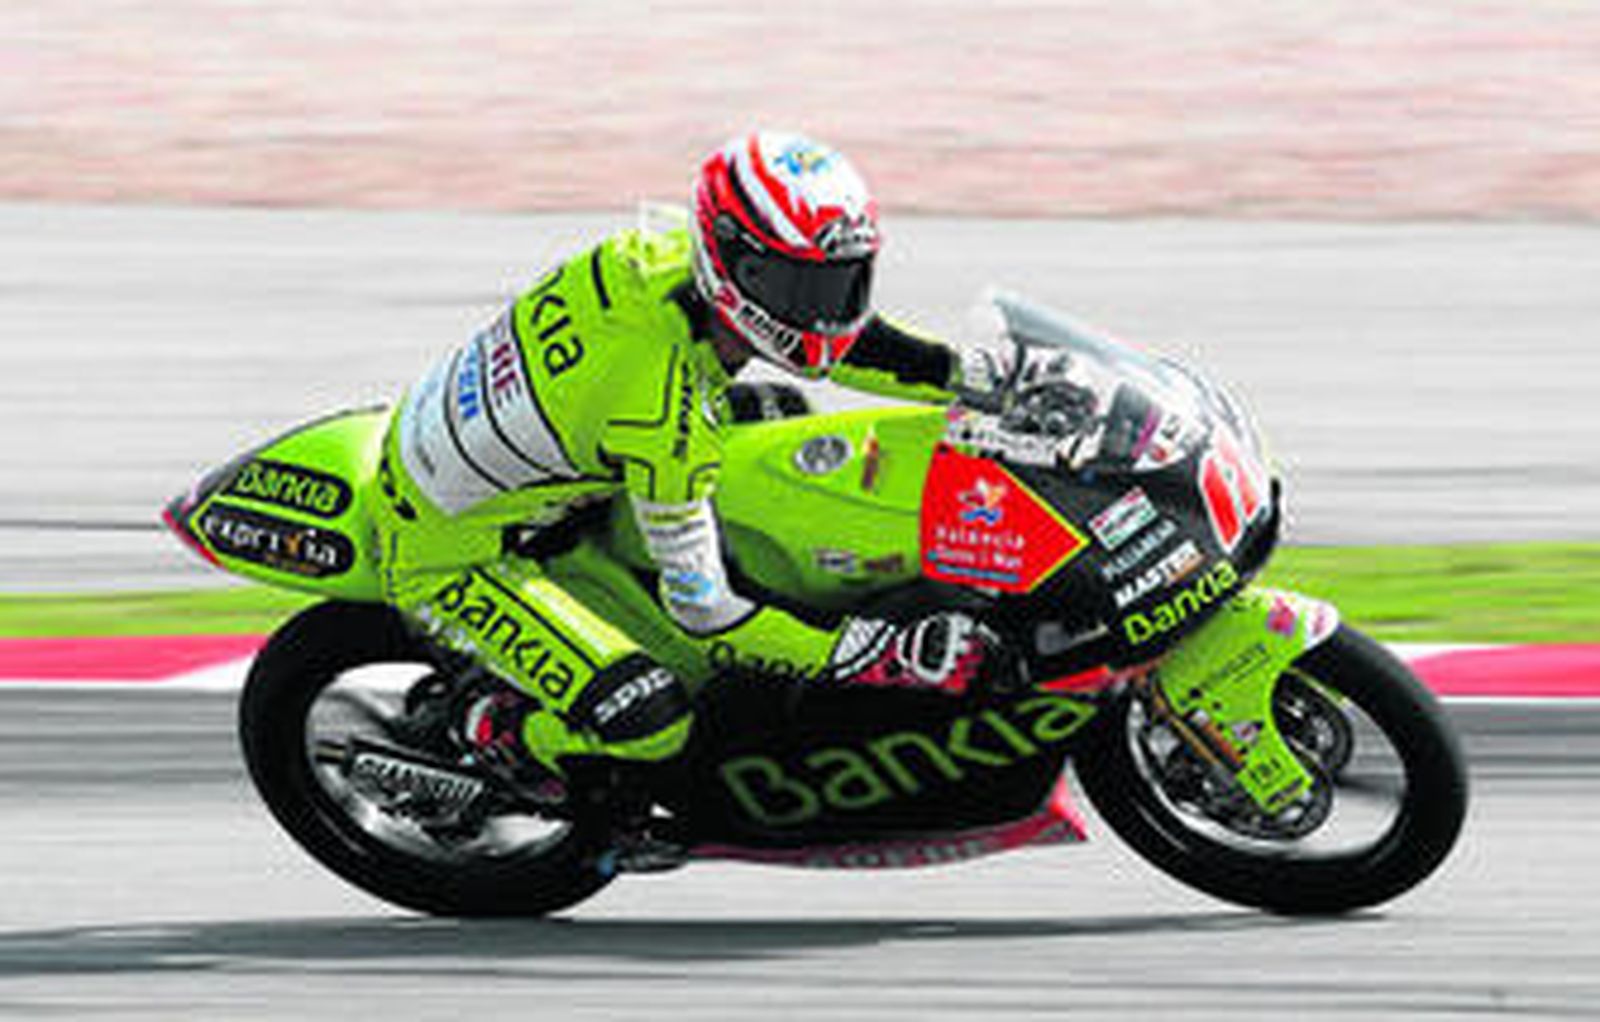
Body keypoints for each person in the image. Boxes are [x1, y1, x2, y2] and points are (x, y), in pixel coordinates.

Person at [370, 130, 1004, 863]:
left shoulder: (675, 260)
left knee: (779, 414)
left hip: (544, 462)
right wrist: (870, 654)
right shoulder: (659, 411)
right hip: (455, 549)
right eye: (805, 289)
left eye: (842, 283)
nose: (826, 311)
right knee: (652, 716)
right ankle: (499, 734)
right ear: (733, 262)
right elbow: (707, 611)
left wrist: (983, 379)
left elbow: (851, 345)